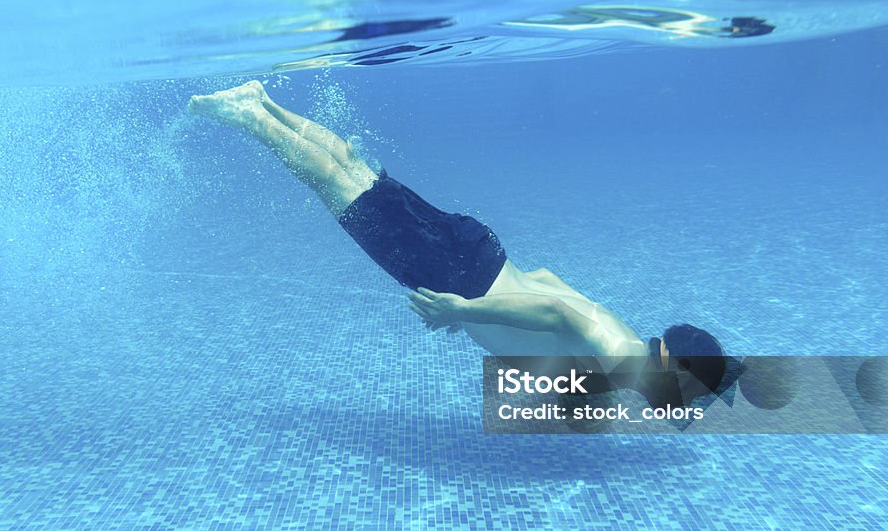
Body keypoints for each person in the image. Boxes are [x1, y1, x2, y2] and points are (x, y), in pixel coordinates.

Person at [188, 81, 728, 400]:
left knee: (358, 177)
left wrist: (481, 307)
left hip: (482, 253)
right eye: (694, 397)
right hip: (462, 276)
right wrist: (461, 309)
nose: (688, 407)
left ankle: (263, 102)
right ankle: (247, 117)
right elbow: (560, 316)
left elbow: (546, 282)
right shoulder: (624, 359)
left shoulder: (625, 336)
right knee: (341, 189)